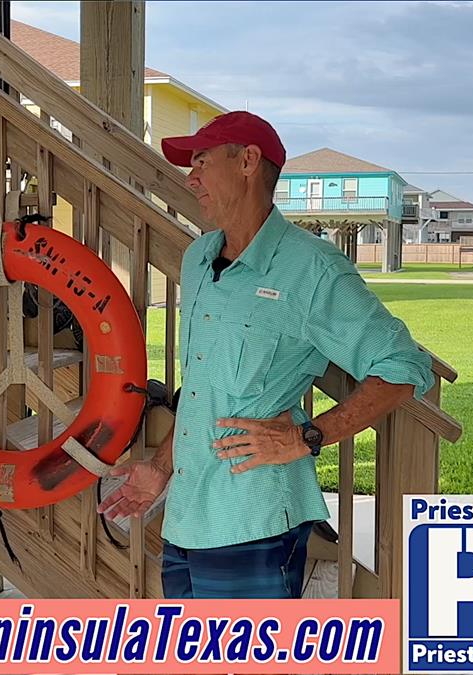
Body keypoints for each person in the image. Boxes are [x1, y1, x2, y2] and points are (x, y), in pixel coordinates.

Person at [97, 111, 434, 599]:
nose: (191, 178)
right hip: (186, 514)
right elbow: (203, 388)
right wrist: (162, 467)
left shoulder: (312, 269)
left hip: (255, 521)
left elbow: (403, 366)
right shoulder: (198, 258)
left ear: (249, 161)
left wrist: (308, 435)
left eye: (202, 161)